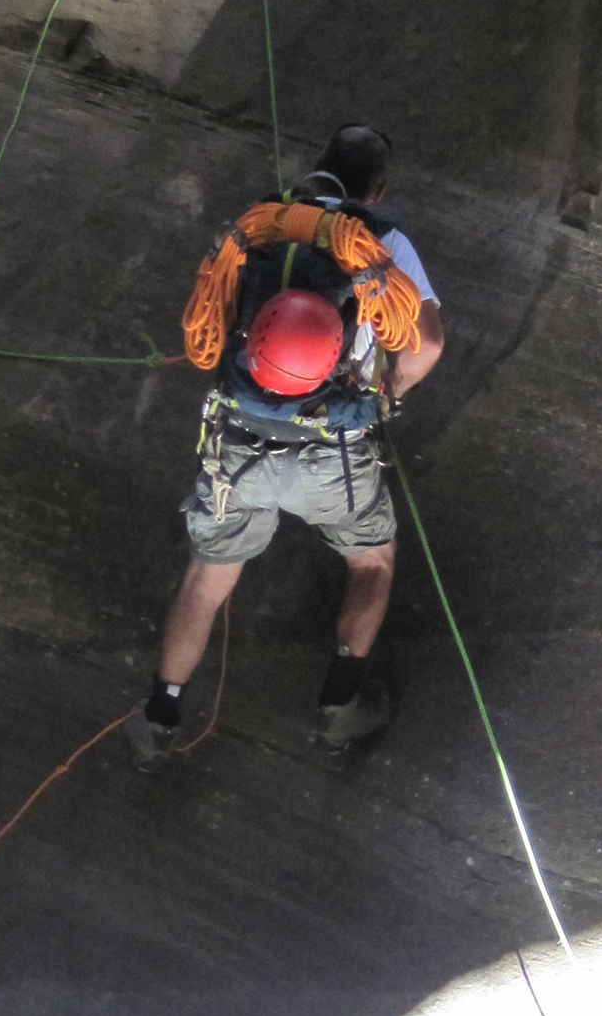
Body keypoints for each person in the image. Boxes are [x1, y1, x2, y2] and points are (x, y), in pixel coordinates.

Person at [129, 121, 446, 769]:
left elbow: (212, 320)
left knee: (207, 577)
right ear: (378, 190)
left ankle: (158, 719)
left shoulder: (260, 225)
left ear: (316, 167)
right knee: (372, 562)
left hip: (239, 438)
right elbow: (428, 342)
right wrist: (386, 394)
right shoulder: (383, 241)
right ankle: (338, 710)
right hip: (335, 447)